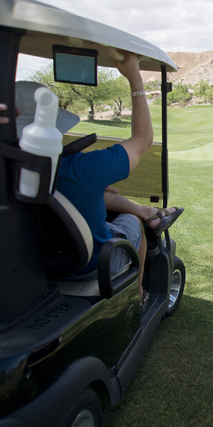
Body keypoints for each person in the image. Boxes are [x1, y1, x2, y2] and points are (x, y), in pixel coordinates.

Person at [17, 51, 183, 306]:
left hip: (30, 260)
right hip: (88, 263)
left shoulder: (11, 168)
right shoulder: (80, 168)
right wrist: (135, 80)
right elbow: (142, 141)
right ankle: (137, 294)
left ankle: (148, 211)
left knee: (102, 193)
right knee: (131, 222)